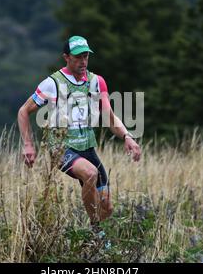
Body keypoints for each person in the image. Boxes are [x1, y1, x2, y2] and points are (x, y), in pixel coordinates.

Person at [17, 35, 141, 232]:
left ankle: (88, 238)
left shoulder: (97, 82)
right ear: (66, 57)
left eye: (86, 56)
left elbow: (110, 117)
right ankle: (95, 231)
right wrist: (28, 145)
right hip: (61, 148)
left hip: (87, 147)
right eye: (78, 57)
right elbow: (23, 111)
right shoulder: (53, 83)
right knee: (90, 174)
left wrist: (127, 136)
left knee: (107, 207)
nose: (83, 61)